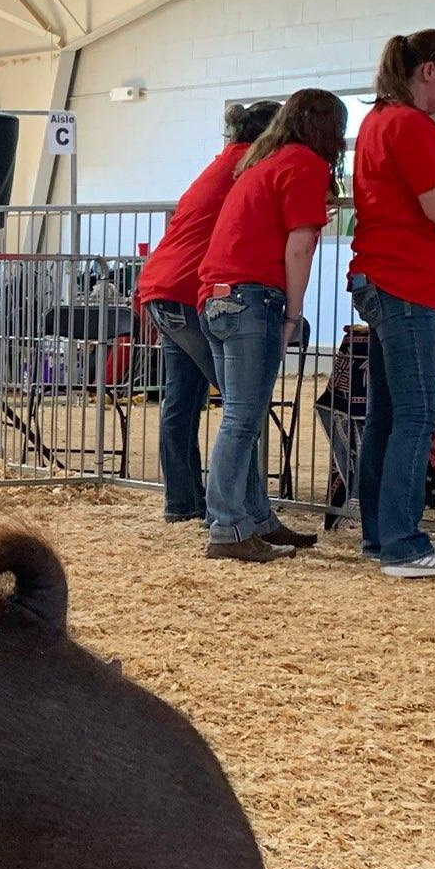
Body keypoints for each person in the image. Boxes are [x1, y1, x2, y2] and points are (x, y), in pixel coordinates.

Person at [196, 89, 346, 564]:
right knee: (242, 417)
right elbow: (298, 247)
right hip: (252, 296)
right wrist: (293, 314)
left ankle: (256, 519)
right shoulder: (304, 164)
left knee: (245, 415)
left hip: (217, 296)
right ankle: (226, 527)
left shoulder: (264, 161)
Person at [136, 100, 287, 527]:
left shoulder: (223, 163)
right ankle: (241, 514)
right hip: (187, 290)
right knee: (242, 406)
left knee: (182, 401)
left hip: (163, 287)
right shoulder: (251, 169)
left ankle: (184, 503)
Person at [346, 28, 435, 578]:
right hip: (407, 281)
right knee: (417, 412)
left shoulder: (379, 121)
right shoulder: (414, 125)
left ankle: (382, 536)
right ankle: (404, 544)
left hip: (383, 277)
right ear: (429, 70)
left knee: (389, 414)